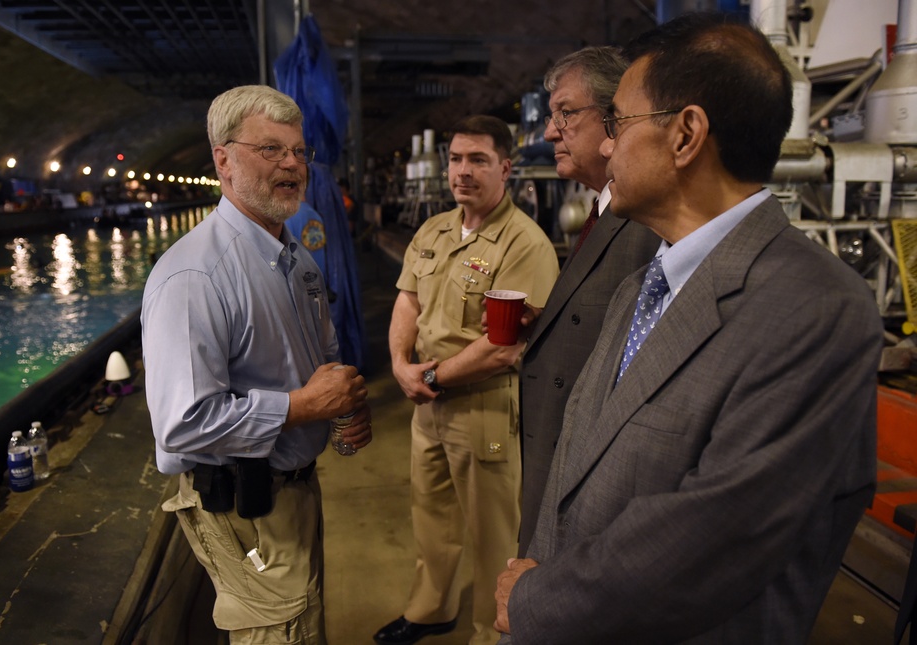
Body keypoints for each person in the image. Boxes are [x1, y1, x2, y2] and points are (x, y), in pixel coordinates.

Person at [495, 12, 883, 644]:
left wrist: (540, 599)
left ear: (685, 135)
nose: (605, 146)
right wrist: (534, 588)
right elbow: (574, 463)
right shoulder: (639, 287)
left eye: (617, 123)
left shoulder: (815, 307)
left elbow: (713, 538)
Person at [141, 85, 372, 644]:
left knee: (304, 623)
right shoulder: (194, 277)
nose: (291, 164)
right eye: (270, 149)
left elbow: (318, 362)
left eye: (298, 152)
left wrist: (338, 410)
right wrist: (301, 407)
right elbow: (182, 421)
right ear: (223, 158)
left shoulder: (294, 259)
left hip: (295, 489)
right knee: (280, 632)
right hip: (245, 506)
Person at [375, 115, 558, 645]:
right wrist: (398, 364)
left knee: (492, 534)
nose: (463, 171)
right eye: (455, 159)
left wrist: (425, 373)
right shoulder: (434, 229)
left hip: (482, 408)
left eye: (477, 160)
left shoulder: (524, 244)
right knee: (431, 519)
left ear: (505, 167)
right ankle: (431, 609)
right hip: (427, 402)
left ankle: (490, 632)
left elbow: (502, 349)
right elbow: (407, 299)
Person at [518, 46, 661, 555]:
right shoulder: (602, 211)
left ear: (615, 118)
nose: (551, 131)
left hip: (586, 486)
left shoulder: (648, 225)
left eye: (566, 113)